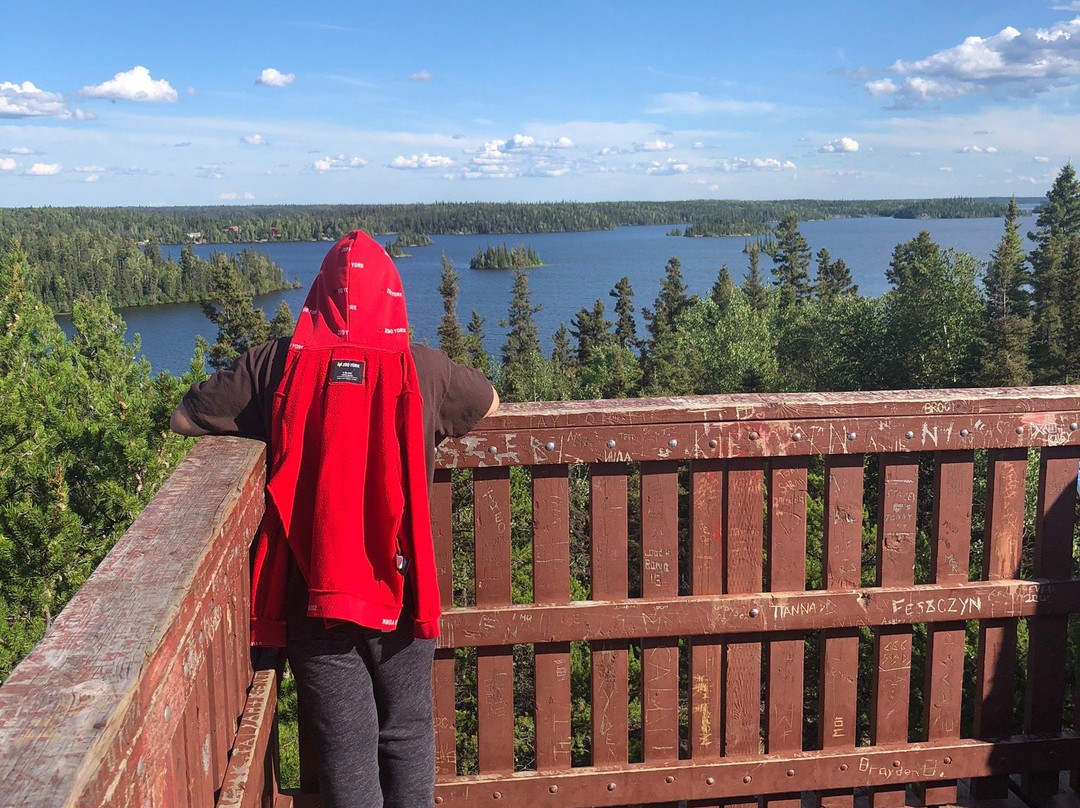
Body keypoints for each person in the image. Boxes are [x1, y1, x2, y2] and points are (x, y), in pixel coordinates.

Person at [170, 230, 498, 808]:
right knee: (408, 730)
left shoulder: (275, 364)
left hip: (314, 588)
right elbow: (489, 400)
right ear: (391, 294)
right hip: (401, 582)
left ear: (319, 294)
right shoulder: (422, 367)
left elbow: (187, 416)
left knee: (346, 748)